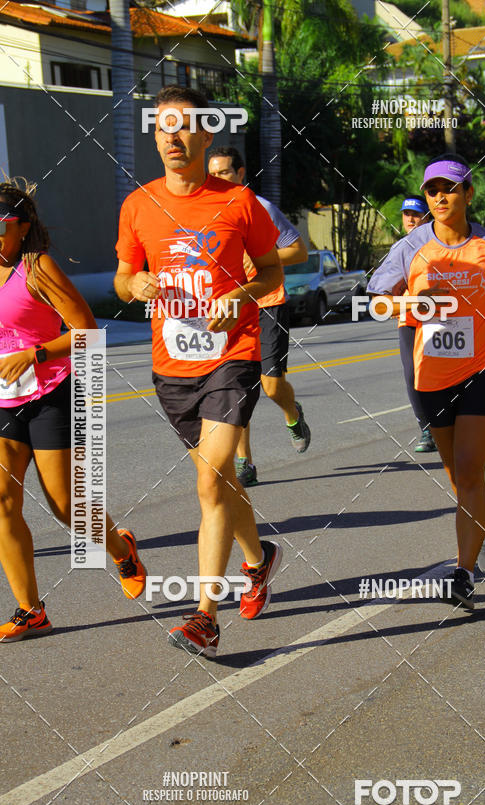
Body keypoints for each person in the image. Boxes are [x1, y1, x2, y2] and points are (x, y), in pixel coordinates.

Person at [114, 86, 284, 657]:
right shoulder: (138, 205)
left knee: (210, 481)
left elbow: (271, 269)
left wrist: (241, 295)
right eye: (164, 127)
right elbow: (122, 277)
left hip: (231, 357)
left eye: (185, 126)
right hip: (171, 367)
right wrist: (133, 284)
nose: (173, 136)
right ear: (155, 136)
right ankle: (258, 562)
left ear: (207, 135)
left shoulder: (238, 203)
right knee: (224, 483)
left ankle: (205, 616)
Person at [368, 154, 485, 608]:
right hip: (432, 373)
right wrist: (412, 305)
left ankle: (462, 573)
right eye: (433, 190)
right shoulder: (411, 246)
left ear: (468, 194)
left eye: (451, 188)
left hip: (484, 366)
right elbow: (378, 301)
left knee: (472, 469)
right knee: (460, 479)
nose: (441, 197)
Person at [0, 180, 146, 642]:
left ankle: (122, 551)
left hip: (51, 393)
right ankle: (31, 610)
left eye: (0, 226)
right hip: (2, 401)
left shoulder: (37, 268)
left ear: (22, 228)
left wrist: (37, 353)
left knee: (68, 507)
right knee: (2, 503)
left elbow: (89, 333)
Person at [207, 146, 310, 487]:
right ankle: (244, 462)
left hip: (267, 302)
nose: (216, 178)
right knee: (235, 386)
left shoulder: (260, 207)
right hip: (230, 309)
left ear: (240, 174)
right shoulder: (204, 212)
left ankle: (292, 413)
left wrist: (261, 260)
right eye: (212, 172)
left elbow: (298, 250)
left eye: (223, 172)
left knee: (271, 384)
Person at [396, 195, 436, 453]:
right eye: (406, 214)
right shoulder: (399, 248)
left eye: (415, 214)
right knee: (412, 375)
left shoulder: (436, 244)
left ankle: (448, 422)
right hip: (408, 319)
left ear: (426, 217)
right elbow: (388, 287)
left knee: (436, 375)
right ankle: (426, 428)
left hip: (438, 319)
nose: (410, 219)